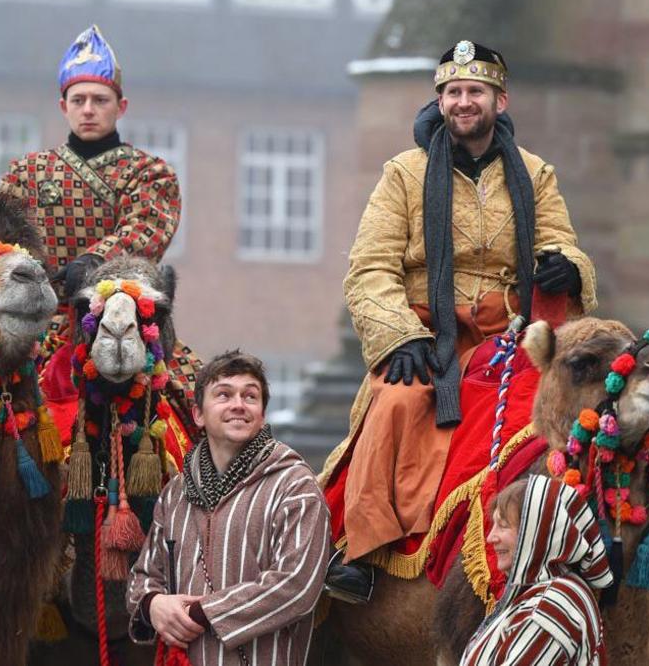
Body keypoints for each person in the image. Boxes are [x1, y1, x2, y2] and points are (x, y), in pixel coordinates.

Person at [324, 40, 598, 603]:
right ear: (441, 101)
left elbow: (563, 244)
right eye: (453, 92)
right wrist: (400, 336)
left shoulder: (535, 174)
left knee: (554, 409)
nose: (463, 102)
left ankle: (572, 533)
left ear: (500, 99)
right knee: (399, 401)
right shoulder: (404, 174)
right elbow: (369, 267)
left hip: (509, 334)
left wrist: (562, 270)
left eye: (475, 92)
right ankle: (362, 551)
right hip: (426, 333)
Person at [0, 25, 202, 423]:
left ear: (120, 106)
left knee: (197, 404)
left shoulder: (150, 173)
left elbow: (145, 230)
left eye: (99, 100)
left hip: (124, 316)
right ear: (64, 107)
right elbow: (4, 242)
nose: (88, 109)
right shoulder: (26, 174)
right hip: (40, 323)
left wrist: (91, 262)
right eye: (79, 100)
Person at [126, 351, 330, 665]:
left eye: (250, 396)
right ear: (198, 414)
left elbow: (297, 584)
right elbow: (144, 577)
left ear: (262, 413)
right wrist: (153, 605)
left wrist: (202, 613)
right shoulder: (176, 493)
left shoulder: (295, 487)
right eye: (224, 394)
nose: (238, 404)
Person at [461, 476, 612, 665]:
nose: (491, 537)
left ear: (537, 532)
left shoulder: (552, 608)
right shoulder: (547, 594)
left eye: (503, 526)